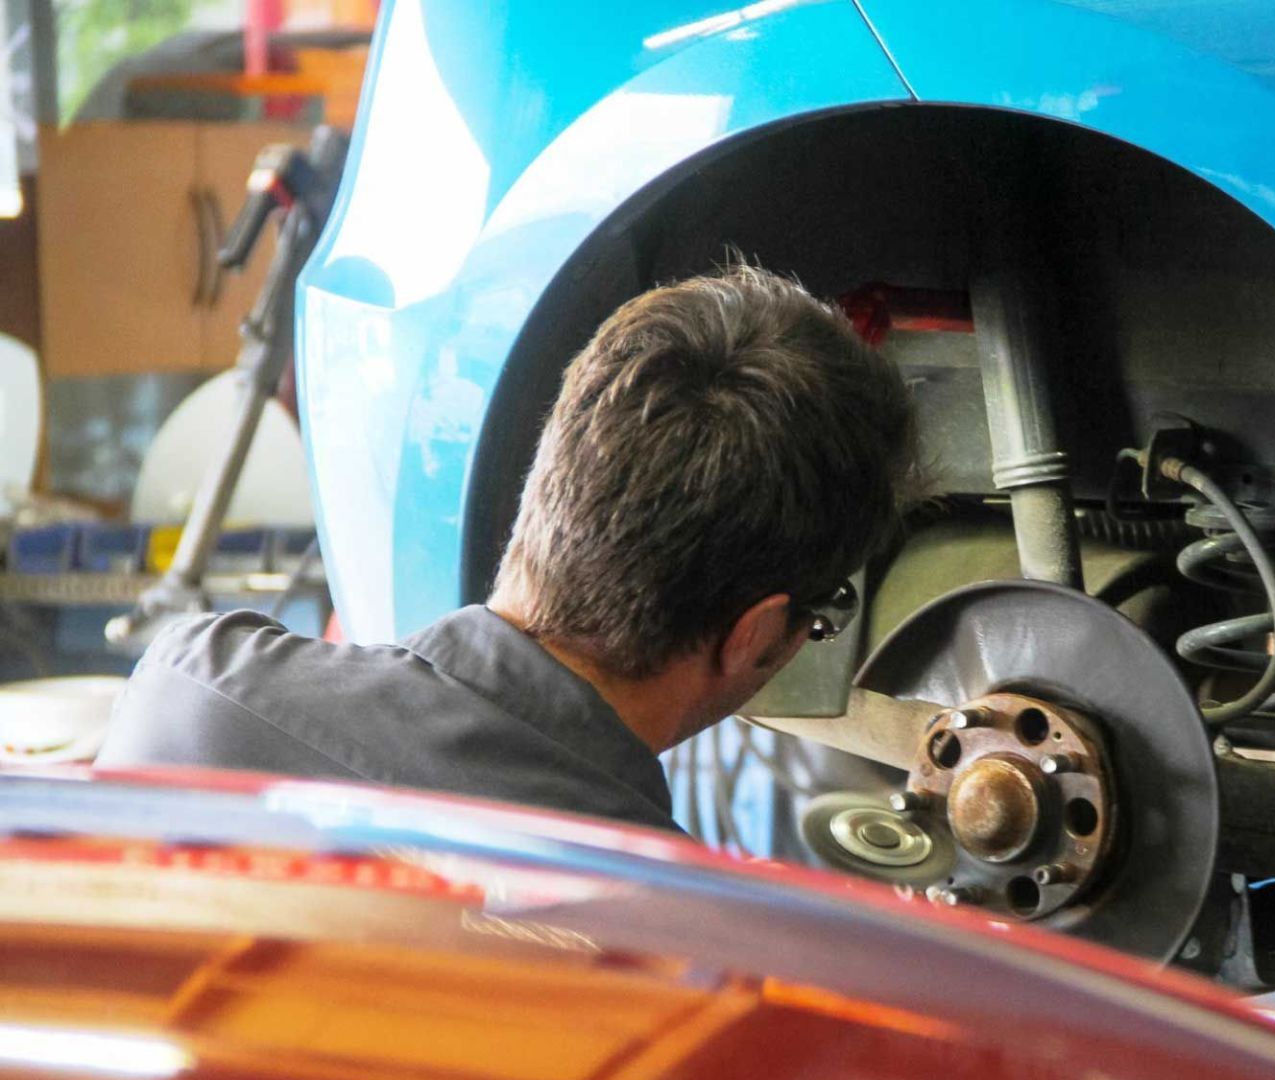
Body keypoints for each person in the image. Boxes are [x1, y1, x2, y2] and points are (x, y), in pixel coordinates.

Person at [96, 266, 919, 830]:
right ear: (752, 632)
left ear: (552, 478)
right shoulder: (670, 948)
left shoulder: (193, 690)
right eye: (819, 617)